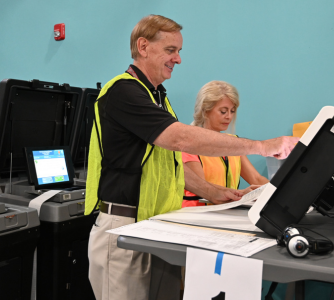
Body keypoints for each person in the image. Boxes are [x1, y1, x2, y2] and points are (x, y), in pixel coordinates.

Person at [84, 14, 299, 300]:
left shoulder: (157, 96)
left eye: (179, 52)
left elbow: (168, 165)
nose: (178, 59)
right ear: (144, 46)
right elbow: (181, 138)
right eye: (171, 50)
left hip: (154, 224)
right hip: (123, 226)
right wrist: (262, 146)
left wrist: (215, 192)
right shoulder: (123, 91)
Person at [182, 81, 270, 207]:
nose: (229, 116)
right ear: (205, 111)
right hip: (196, 216)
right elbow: (202, 187)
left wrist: (278, 191)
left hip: (224, 212)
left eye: (232, 111)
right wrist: (241, 194)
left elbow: (256, 179)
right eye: (223, 111)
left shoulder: (234, 143)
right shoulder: (189, 145)